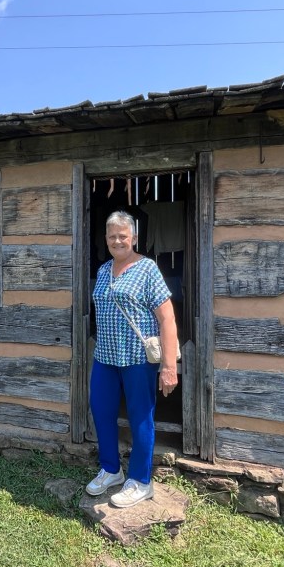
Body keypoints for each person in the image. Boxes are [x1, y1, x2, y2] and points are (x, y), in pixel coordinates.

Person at [86, 210, 179, 507]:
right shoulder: (103, 270)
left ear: (134, 238)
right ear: (106, 239)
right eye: (112, 236)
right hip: (105, 357)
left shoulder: (147, 269)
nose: (117, 241)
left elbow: (167, 319)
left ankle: (140, 481)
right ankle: (111, 470)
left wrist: (168, 366)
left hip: (138, 359)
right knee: (101, 412)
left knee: (140, 417)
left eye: (123, 236)